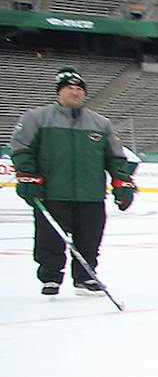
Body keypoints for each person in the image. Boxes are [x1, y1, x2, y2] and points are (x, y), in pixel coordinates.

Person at [9, 67, 136, 297]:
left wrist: (122, 183)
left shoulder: (100, 123)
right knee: (50, 237)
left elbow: (115, 157)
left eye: (79, 89)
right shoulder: (37, 118)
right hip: (52, 192)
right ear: (59, 92)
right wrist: (28, 176)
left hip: (91, 194)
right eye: (69, 88)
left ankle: (85, 277)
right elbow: (22, 149)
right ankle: (50, 277)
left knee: (89, 238)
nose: (75, 92)